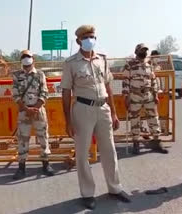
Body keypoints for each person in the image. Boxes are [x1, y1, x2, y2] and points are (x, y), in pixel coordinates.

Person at [61, 25, 130, 210]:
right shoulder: (71, 63)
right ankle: (87, 193)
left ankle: (115, 188)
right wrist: (68, 121)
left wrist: (114, 113)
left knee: (109, 150)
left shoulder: (103, 60)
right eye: (86, 37)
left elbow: (108, 87)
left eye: (92, 36)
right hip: (82, 109)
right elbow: (66, 93)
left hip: (103, 108)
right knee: (82, 154)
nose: (90, 39)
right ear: (78, 41)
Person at [11, 50, 54, 180]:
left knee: (43, 137)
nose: (26, 58)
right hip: (24, 111)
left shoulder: (40, 74)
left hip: (38, 110)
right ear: (20, 60)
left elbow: (44, 93)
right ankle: (21, 167)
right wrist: (26, 109)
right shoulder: (16, 75)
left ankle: (46, 164)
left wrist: (35, 108)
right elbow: (15, 94)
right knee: (23, 139)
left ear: (33, 59)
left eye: (28, 56)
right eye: (23, 56)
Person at [122, 44, 168, 154]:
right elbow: (125, 81)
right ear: (136, 51)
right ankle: (136, 143)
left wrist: (155, 94)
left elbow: (153, 80)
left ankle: (156, 142)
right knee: (135, 120)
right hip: (135, 96)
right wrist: (126, 97)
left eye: (146, 50)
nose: (144, 52)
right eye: (142, 50)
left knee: (153, 118)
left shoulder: (149, 65)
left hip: (149, 95)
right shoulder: (129, 65)